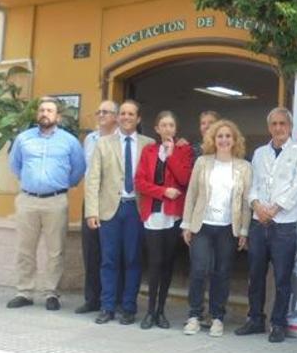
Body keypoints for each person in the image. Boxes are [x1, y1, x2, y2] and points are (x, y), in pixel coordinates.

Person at [235, 107, 297, 343]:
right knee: (255, 274)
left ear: (289, 127)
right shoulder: (259, 153)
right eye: (274, 124)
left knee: (282, 277)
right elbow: (253, 184)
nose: (278, 128)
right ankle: (255, 319)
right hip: (260, 223)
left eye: (282, 124)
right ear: (269, 127)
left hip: (284, 224)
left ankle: (278, 323)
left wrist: (275, 208)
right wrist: (257, 205)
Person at [6, 97, 85, 311]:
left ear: (57, 116)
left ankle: (51, 293)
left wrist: (60, 185)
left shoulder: (69, 141)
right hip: (27, 200)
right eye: (41, 110)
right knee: (25, 249)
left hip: (56, 201)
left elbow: (79, 169)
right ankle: (24, 292)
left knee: (55, 250)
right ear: (37, 114)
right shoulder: (23, 139)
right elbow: (15, 166)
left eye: (49, 110)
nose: (45, 113)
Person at [85, 100, 154, 325]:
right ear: (118, 117)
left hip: (135, 209)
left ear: (138, 118)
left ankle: (129, 308)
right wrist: (91, 212)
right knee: (109, 260)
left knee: (133, 260)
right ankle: (107, 307)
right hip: (109, 210)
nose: (126, 117)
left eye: (130, 114)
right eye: (122, 113)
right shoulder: (103, 143)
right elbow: (93, 179)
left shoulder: (149, 144)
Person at [181, 119, 252, 337]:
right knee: (199, 270)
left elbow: (246, 202)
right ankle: (194, 315)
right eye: (220, 136)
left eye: (228, 136)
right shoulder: (203, 162)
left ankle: (217, 317)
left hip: (227, 228)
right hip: (202, 225)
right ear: (213, 139)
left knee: (222, 273)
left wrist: (244, 231)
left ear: (235, 140)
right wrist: (186, 224)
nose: (224, 140)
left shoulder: (244, 167)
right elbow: (191, 194)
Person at [134, 110, 192, 329]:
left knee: (167, 263)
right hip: (152, 213)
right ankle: (150, 311)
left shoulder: (183, 150)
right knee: (154, 263)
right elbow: (139, 182)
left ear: (175, 130)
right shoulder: (148, 151)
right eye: (163, 125)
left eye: (171, 125)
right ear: (157, 129)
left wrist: (171, 156)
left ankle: (161, 311)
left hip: (172, 215)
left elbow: (184, 179)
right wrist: (162, 192)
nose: (167, 129)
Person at [75, 100, 118, 315]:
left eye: (106, 112)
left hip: (114, 200)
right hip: (91, 200)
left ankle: (113, 299)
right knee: (91, 251)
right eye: (99, 111)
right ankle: (92, 299)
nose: (101, 115)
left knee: (112, 252)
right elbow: (85, 170)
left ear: (116, 117)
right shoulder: (90, 140)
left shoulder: (121, 139)